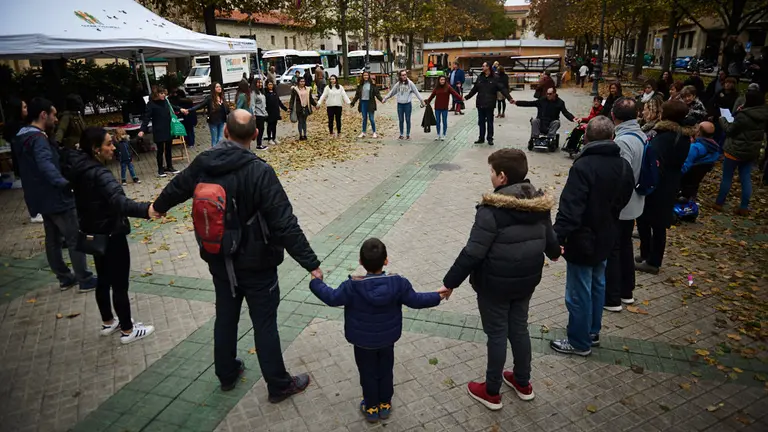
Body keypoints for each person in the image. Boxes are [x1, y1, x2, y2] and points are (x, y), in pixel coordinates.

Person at [151, 109, 320, 399]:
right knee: (264, 323)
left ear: (225, 133)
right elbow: (284, 223)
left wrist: (157, 207)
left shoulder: (203, 162)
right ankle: (278, 385)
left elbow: (178, 187)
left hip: (219, 259)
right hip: (258, 265)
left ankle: (227, 374)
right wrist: (311, 263)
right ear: (255, 135)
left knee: (226, 317)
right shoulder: (260, 171)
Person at [440, 149, 560, 410]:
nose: (490, 177)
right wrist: (554, 253)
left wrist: (449, 283)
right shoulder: (538, 204)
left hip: (494, 285)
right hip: (526, 282)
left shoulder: (490, 209)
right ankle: (522, 381)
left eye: (492, 172)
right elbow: (551, 243)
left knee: (496, 334)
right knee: (519, 329)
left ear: (502, 177)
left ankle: (491, 391)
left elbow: (473, 252)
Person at [309, 238, 445, 422]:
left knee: (367, 372)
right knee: (385, 369)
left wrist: (316, 283)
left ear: (360, 262)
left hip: (362, 342)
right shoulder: (398, 283)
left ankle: (371, 407)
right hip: (387, 339)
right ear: (386, 260)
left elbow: (332, 297)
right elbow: (416, 300)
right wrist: (438, 296)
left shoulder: (352, 286)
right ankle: (385, 404)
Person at [60, 127, 158, 343]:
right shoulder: (100, 173)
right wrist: (146, 210)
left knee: (103, 279)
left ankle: (108, 321)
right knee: (120, 284)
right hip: (111, 233)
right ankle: (127, 330)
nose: (113, 147)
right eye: (108, 144)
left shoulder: (79, 168)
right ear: (96, 149)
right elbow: (119, 201)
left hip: (95, 233)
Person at [550, 116, 635, 356]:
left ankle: (579, 341)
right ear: (612, 138)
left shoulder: (583, 167)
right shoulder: (623, 165)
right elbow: (624, 197)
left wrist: (555, 239)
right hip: (607, 234)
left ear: (586, 137)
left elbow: (570, 209)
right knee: (598, 284)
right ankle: (591, 331)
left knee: (579, 291)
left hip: (582, 239)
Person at [13, 97, 97, 292]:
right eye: (53, 115)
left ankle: (64, 278)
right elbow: (45, 165)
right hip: (56, 196)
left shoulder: (21, 137)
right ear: (43, 115)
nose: (56, 119)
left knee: (52, 238)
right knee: (74, 236)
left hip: (39, 197)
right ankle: (84, 279)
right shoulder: (38, 139)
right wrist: (64, 184)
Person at [635, 101, 691, 274]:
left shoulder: (665, 137)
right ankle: (646, 254)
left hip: (659, 183)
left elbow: (654, 161)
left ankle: (653, 261)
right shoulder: (681, 135)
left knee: (654, 223)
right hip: (670, 182)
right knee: (648, 220)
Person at [604, 98, 646, 312]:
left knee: (613, 249)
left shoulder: (622, 141)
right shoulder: (640, 135)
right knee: (625, 246)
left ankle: (612, 298)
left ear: (614, 116)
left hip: (622, 206)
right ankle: (626, 291)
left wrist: (611, 204)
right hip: (634, 203)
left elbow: (621, 176)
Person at [713, 90, 768, 215]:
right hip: (751, 151)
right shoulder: (763, 114)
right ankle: (744, 206)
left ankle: (719, 202)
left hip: (735, 149)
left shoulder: (744, 115)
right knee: (745, 177)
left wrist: (722, 119)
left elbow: (729, 129)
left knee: (727, 177)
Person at [4, 98, 42, 223]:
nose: (26, 110)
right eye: (24, 107)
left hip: (26, 159)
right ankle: (34, 213)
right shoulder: (15, 127)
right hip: (23, 160)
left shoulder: (22, 124)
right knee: (29, 186)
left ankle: (37, 210)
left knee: (34, 185)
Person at [138, 86, 187, 177]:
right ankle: (160, 169)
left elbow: (173, 107)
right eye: (161, 93)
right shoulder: (151, 104)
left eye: (164, 93)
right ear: (156, 94)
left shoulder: (166, 101)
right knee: (160, 150)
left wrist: (181, 109)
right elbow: (146, 118)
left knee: (168, 148)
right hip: (158, 129)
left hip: (168, 128)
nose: (163, 95)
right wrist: (142, 130)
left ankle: (170, 166)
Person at [465, 62, 513, 146]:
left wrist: (509, 98)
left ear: (488, 67)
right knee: (481, 122)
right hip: (480, 103)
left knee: (490, 122)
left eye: (484, 66)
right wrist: (466, 97)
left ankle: (490, 138)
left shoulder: (495, 78)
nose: (482, 67)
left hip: (490, 104)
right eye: (482, 66)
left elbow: (503, 89)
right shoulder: (480, 77)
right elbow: (474, 89)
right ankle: (481, 138)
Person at [680, 121, 720, 200]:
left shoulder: (695, 148)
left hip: (685, 179)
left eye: (696, 128)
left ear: (698, 132)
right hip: (695, 182)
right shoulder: (715, 149)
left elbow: (684, 167)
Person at [383, 70, 425, 140]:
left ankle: (408, 134)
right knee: (401, 120)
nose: (404, 76)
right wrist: (385, 98)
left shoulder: (410, 83)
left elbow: (416, 92)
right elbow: (392, 92)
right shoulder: (398, 84)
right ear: (400, 76)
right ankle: (401, 134)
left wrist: (421, 100)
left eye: (405, 75)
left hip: (407, 105)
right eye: (402, 75)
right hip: (400, 105)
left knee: (408, 119)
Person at [188, 82, 230, 147]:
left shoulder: (222, 97)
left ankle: (219, 152)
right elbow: (200, 105)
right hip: (213, 121)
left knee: (220, 138)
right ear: (213, 89)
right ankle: (214, 153)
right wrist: (190, 110)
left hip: (221, 120)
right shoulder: (210, 98)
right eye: (217, 87)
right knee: (214, 138)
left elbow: (226, 109)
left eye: (219, 87)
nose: (219, 88)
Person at [425, 75, 462, 141]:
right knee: (438, 121)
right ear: (439, 80)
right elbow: (432, 96)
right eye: (441, 80)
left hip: (444, 107)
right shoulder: (436, 88)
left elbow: (454, 93)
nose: (442, 81)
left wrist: (461, 98)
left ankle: (444, 134)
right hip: (437, 107)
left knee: (444, 121)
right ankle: (438, 134)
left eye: (443, 80)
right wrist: (426, 102)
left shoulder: (448, 87)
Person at [350, 71, 383, 139]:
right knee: (364, 118)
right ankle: (363, 132)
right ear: (362, 76)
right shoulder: (360, 85)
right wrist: (353, 102)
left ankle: (374, 132)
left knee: (371, 118)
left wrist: (381, 100)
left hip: (370, 103)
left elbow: (377, 94)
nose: (365, 77)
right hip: (363, 103)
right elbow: (357, 95)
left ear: (369, 76)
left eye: (367, 75)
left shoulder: (372, 84)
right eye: (364, 75)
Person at [289, 77, 317, 141]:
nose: (302, 83)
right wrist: (290, 108)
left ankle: (305, 135)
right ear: (298, 82)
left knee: (304, 121)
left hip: (306, 107)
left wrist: (315, 105)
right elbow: (292, 99)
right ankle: (300, 135)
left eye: (303, 81)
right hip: (298, 108)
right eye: (301, 81)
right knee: (300, 121)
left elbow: (310, 99)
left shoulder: (308, 89)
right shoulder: (295, 89)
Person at [265, 80, 288, 146]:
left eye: (271, 84)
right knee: (269, 125)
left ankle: (274, 137)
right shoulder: (265, 94)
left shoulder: (275, 93)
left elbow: (279, 102)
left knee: (274, 125)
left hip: (275, 111)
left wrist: (285, 109)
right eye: (269, 84)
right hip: (269, 112)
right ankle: (270, 139)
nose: (270, 86)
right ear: (267, 85)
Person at [250, 78, 268, 150]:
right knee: (259, 129)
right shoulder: (253, 93)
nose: (260, 84)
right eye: (258, 83)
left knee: (262, 129)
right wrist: (253, 113)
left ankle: (259, 143)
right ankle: (258, 144)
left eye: (261, 83)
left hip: (263, 113)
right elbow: (252, 104)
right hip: (257, 114)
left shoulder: (261, 92)